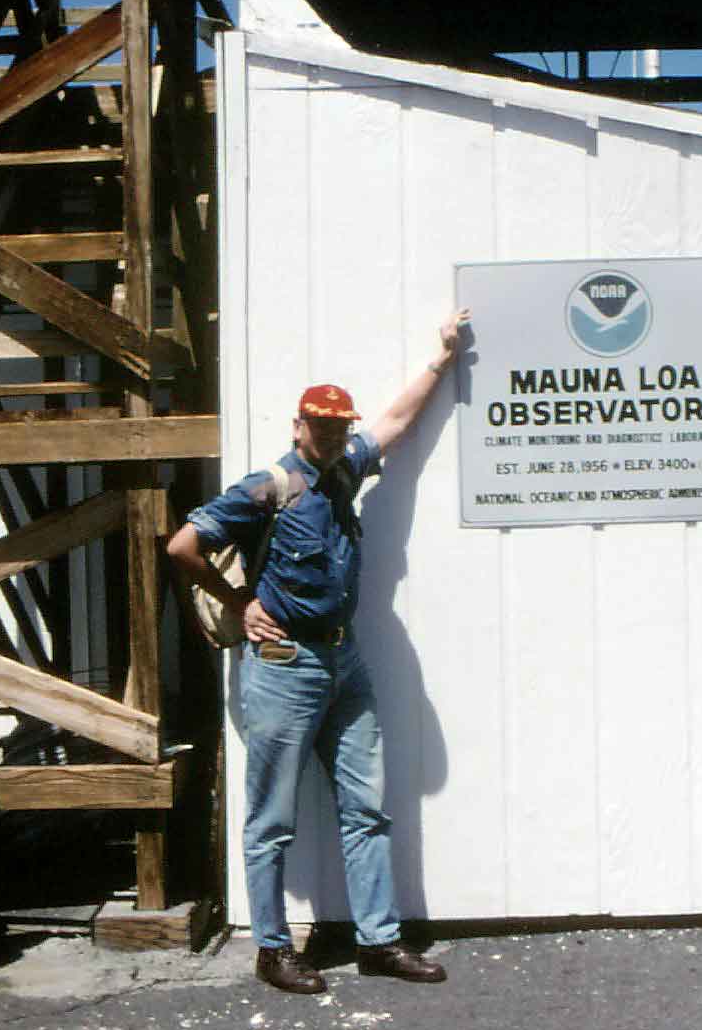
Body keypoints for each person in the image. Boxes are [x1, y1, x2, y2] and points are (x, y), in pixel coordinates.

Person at [167, 308, 470, 995]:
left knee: (367, 808)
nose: (333, 436)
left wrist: (442, 360)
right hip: (284, 668)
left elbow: (393, 424)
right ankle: (273, 950)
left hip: (345, 661)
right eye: (321, 426)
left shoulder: (342, 471)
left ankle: (378, 942)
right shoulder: (266, 488)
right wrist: (241, 603)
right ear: (298, 426)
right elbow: (182, 546)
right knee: (272, 819)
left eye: (340, 427)